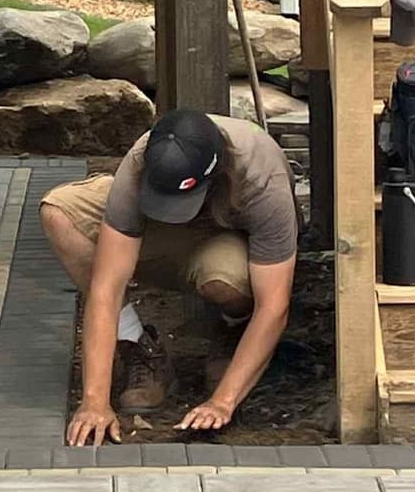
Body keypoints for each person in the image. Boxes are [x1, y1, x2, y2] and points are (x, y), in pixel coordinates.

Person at [39, 109, 298, 446]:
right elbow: (106, 289)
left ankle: (233, 334)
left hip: (226, 238)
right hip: (164, 232)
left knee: (222, 279)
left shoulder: (263, 178)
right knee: (60, 212)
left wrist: (222, 401)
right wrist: (94, 402)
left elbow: (274, 305)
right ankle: (138, 344)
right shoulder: (142, 159)